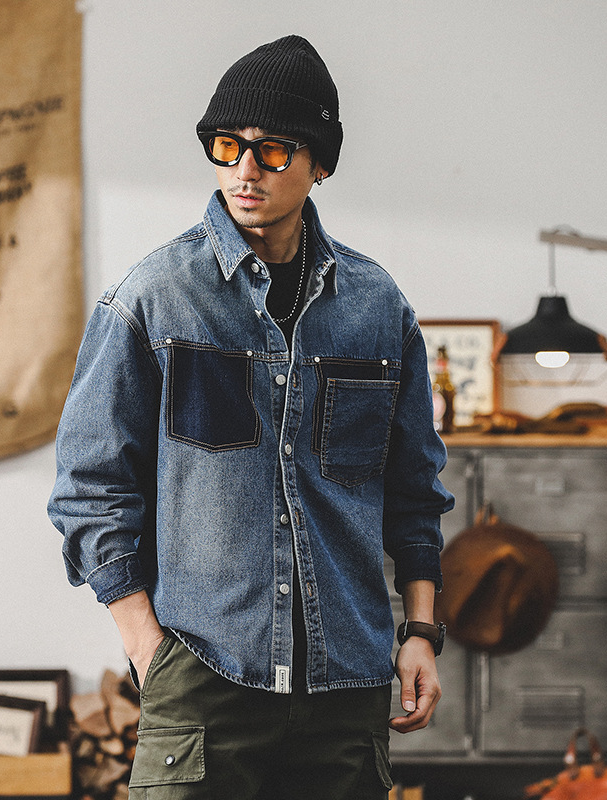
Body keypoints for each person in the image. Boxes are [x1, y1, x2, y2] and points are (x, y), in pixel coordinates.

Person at [48, 34, 454, 800]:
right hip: (203, 676)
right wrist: (147, 648)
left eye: (272, 151)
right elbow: (90, 489)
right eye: (228, 146)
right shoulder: (154, 299)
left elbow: (414, 492)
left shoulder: (377, 309)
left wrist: (422, 632)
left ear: (320, 163)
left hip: (347, 683)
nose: (244, 170)